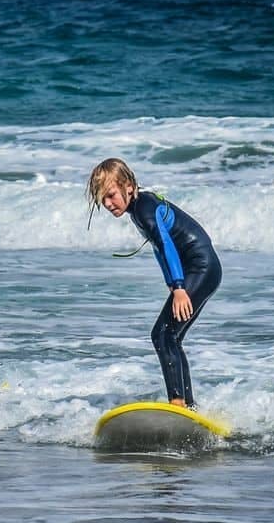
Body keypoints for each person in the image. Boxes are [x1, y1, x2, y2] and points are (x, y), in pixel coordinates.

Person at [86, 158, 222, 409]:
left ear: (128, 185)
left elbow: (166, 245)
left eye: (111, 195)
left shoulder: (144, 209)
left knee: (162, 335)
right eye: (103, 199)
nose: (107, 204)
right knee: (171, 337)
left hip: (200, 268)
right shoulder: (140, 206)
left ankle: (178, 404)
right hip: (203, 269)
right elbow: (160, 250)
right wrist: (172, 283)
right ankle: (188, 406)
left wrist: (180, 286)